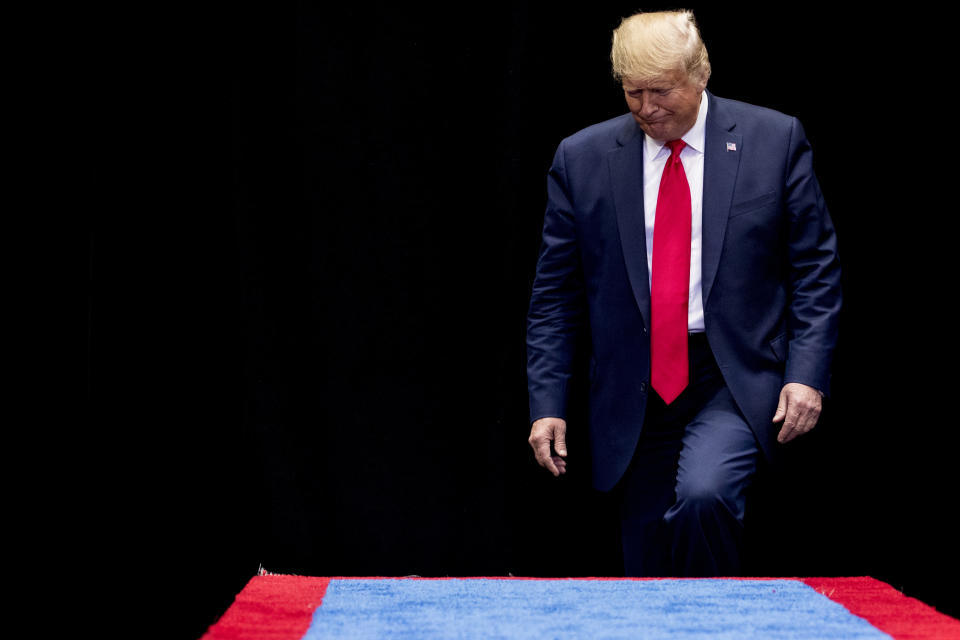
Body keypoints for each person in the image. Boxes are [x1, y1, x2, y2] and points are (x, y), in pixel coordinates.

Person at [526, 10, 841, 577]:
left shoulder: (773, 140)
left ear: (700, 75)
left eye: (660, 91)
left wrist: (806, 373)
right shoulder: (583, 158)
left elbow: (815, 267)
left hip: (733, 375)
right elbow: (555, 295)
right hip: (634, 386)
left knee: (704, 495)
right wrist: (547, 405)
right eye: (633, 93)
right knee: (644, 554)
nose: (646, 108)